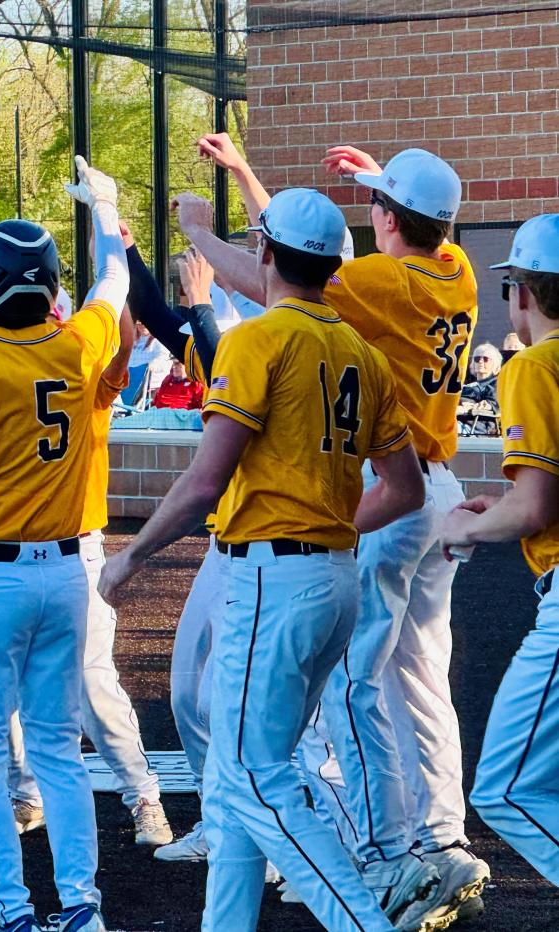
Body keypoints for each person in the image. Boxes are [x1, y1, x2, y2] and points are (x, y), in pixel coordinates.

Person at [101, 187, 426, 932]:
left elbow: (206, 480)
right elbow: (404, 488)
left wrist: (132, 559)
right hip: (331, 577)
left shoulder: (258, 339)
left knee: (253, 772)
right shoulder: (363, 353)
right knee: (234, 780)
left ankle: (363, 921)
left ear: (268, 255)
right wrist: (324, 522)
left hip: (273, 580)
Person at [187, 136, 488, 925]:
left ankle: (385, 855)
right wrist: (258, 176)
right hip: (433, 484)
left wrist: (197, 231)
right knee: (420, 681)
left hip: (386, 494)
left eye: (380, 205)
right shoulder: (454, 269)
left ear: (389, 221)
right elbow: (298, 254)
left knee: (354, 684)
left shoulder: (382, 279)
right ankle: (440, 838)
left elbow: (274, 276)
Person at [0, 156, 128, 932]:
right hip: (70, 573)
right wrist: (105, 210)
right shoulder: (77, 346)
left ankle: (13, 910)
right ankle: (80, 908)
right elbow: (114, 287)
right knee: (57, 751)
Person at [5, 220, 173, 851]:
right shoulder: (74, 351)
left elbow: (122, 344)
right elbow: (122, 338)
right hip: (65, 549)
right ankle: (55, 794)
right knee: (76, 683)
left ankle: (134, 796)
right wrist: (110, 237)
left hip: (45, 551)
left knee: (74, 683)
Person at [443, 215, 559, 885]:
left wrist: (458, 529)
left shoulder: (536, 363)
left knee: (505, 791)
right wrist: (508, 510)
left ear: (522, 292)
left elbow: (536, 506)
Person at [457, 343, 501, 436]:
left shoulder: (496, 383)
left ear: (495, 364)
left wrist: (466, 409)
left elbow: (492, 404)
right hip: (453, 420)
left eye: (486, 359)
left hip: (474, 426)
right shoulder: (466, 385)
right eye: (477, 359)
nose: (481, 361)